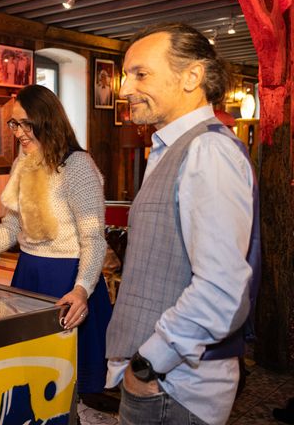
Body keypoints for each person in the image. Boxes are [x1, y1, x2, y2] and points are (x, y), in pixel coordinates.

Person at [105, 23, 260, 425]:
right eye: (127, 75)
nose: (125, 89)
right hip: (165, 382)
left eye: (141, 73)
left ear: (192, 76)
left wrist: (147, 364)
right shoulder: (176, 147)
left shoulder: (207, 150)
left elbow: (221, 287)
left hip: (175, 388)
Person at [0, 84, 112, 397]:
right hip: (29, 274)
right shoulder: (23, 164)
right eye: (13, 123)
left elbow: (93, 238)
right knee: (32, 372)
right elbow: (13, 226)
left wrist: (82, 288)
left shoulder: (77, 166)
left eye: (24, 123)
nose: (18, 132)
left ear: (47, 120)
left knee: (67, 379)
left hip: (69, 278)